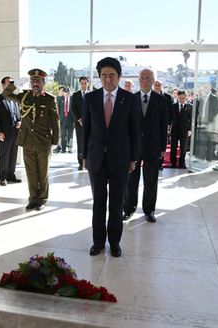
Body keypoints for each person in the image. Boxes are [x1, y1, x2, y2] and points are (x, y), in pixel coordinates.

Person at [83, 57, 140, 257]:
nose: (108, 80)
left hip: (120, 159)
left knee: (116, 204)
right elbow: (86, 130)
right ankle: (97, 242)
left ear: (119, 76)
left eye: (112, 75)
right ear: (99, 77)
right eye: (104, 75)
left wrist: (133, 158)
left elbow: (135, 131)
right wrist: (83, 155)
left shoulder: (130, 98)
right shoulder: (90, 98)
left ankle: (114, 243)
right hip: (96, 159)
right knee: (98, 202)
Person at [3, 69, 60, 211]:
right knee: (31, 173)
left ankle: (42, 199)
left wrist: (55, 141)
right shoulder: (24, 96)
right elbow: (6, 94)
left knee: (43, 173)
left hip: (43, 142)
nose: (35, 83)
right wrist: (14, 83)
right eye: (33, 80)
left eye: (38, 81)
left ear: (43, 83)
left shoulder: (49, 99)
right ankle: (32, 198)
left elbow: (55, 122)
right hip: (27, 141)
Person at [123, 69, 169, 222]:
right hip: (133, 147)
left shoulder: (161, 100)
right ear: (138, 80)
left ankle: (149, 210)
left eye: (148, 78)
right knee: (131, 180)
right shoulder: (131, 98)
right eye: (142, 78)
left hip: (153, 146)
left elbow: (164, 126)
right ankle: (128, 209)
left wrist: (163, 148)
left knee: (151, 180)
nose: (144, 80)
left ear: (153, 80)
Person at [0, 76, 21, 186]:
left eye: (12, 83)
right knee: (4, 155)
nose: (11, 86)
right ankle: (3, 177)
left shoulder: (16, 99)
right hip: (4, 133)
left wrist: (20, 121)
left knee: (13, 155)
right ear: (3, 85)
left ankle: (11, 175)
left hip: (15, 132)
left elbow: (19, 114)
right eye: (9, 83)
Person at [169, 90, 192, 168]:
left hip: (184, 130)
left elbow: (191, 119)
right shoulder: (173, 106)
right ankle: (173, 162)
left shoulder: (189, 106)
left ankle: (182, 162)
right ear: (178, 97)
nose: (182, 100)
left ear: (186, 97)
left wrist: (190, 130)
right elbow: (170, 118)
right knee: (173, 147)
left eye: (183, 98)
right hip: (175, 130)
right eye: (180, 98)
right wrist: (169, 128)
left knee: (183, 147)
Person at [71, 76, 89, 170]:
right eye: (82, 83)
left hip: (90, 124)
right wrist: (79, 119)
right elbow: (73, 109)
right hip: (79, 124)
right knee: (80, 143)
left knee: (90, 143)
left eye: (85, 83)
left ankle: (89, 162)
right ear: (80, 84)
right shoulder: (75, 95)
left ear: (88, 84)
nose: (84, 85)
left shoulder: (92, 94)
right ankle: (81, 162)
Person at [56, 87, 74, 153]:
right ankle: (63, 149)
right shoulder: (60, 99)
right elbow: (59, 108)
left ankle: (70, 148)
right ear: (63, 93)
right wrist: (59, 117)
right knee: (63, 135)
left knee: (70, 134)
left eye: (67, 93)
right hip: (63, 118)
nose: (66, 94)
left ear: (69, 93)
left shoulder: (72, 99)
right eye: (64, 93)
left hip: (70, 118)